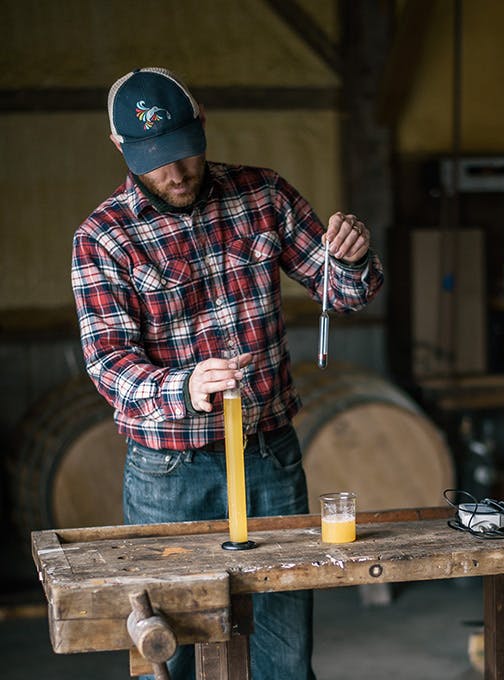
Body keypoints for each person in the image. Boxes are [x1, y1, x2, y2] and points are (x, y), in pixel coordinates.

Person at [71, 67, 384, 680]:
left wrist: (352, 259)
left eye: (184, 153)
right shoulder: (103, 238)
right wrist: (185, 386)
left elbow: (341, 294)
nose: (176, 173)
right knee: (170, 649)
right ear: (120, 148)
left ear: (203, 123)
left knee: (285, 655)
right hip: (170, 473)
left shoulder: (263, 195)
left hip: (268, 455)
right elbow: (108, 364)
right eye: (155, 161)